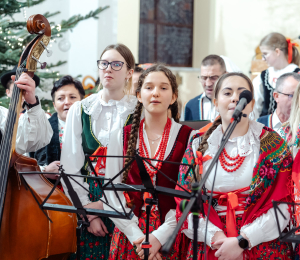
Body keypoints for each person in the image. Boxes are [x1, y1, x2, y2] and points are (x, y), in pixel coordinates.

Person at [175, 72, 293, 259]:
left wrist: (243, 241)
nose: (235, 98)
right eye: (227, 93)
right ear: (215, 103)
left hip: (260, 242)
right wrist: (217, 239)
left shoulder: (273, 143)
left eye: (242, 94)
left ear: (252, 103)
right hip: (212, 242)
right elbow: (184, 202)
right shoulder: (198, 144)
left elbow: (284, 205)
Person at [103, 64, 196, 260]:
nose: (156, 93)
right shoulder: (120, 136)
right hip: (130, 235)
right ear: (138, 95)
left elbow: (188, 196)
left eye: (163, 88)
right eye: (149, 87)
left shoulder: (189, 137)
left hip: (170, 235)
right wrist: (137, 237)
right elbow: (111, 194)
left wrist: (157, 238)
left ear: (173, 97)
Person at [60, 43, 136, 260]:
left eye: (116, 64)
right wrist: (88, 213)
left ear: (129, 72)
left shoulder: (138, 110)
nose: (108, 69)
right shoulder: (80, 109)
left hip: (126, 198)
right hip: (87, 197)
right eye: (104, 63)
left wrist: (104, 204)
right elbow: (71, 165)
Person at [30, 75, 85, 182]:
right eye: (60, 98)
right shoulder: (41, 129)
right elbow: (28, 162)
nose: (67, 102)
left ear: (82, 102)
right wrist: (44, 170)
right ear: (54, 105)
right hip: (52, 191)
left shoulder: (91, 128)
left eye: (72, 97)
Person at [0, 72, 53, 154]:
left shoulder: (41, 117)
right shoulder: (4, 116)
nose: (20, 94)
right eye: (16, 90)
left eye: (24, 90)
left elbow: (36, 142)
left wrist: (32, 103)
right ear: (8, 92)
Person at [253, 32, 300, 118]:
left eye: (265, 54)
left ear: (277, 51)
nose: (263, 59)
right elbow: (256, 106)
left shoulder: (297, 74)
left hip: (293, 125)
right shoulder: (263, 76)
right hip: (266, 127)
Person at [184, 55, 226, 121]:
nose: (208, 84)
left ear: (224, 76)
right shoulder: (191, 106)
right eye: (204, 78)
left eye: (213, 78)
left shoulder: (232, 104)